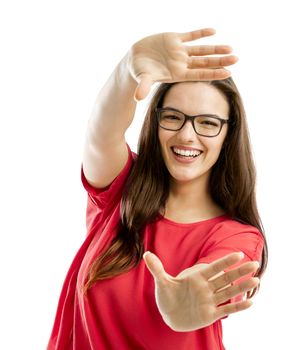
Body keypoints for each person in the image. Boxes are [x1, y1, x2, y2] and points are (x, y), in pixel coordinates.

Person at [47, 28, 268, 350]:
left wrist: (186, 301)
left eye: (207, 122)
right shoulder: (120, 190)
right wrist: (126, 70)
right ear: (156, 121)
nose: (187, 136)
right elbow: (101, 133)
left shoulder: (237, 236)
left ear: (227, 135)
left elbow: (220, 272)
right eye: (173, 117)